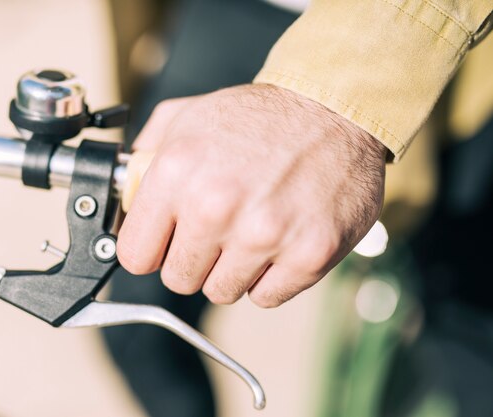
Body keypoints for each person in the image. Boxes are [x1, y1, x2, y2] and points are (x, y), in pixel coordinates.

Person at [104, 1, 493, 416]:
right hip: (234, 15)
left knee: (469, 326)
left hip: (434, 51)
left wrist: (335, 98)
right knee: (138, 326)